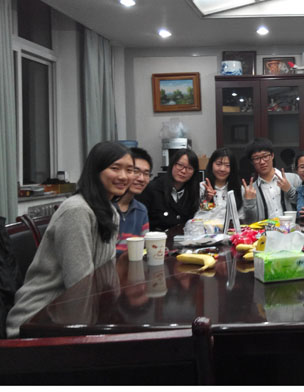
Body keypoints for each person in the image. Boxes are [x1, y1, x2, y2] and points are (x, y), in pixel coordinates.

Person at [6, 141, 134, 338]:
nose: (124, 176)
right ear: (95, 171)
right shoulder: (77, 210)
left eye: (129, 170)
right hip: (38, 320)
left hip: (75, 313)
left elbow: (106, 273)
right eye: (115, 168)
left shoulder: (110, 212)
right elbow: (79, 284)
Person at [138, 148, 200, 231]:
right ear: (172, 164)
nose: (183, 171)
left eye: (189, 168)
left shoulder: (193, 191)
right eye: (180, 165)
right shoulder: (152, 189)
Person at [242, 138, 301, 223]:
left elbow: (303, 208)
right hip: (265, 231)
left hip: (292, 230)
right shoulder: (250, 191)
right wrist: (249, 203)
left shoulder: (294, 179)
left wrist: (289, 190)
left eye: (265, 156)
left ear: (272, 155)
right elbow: (250, 222)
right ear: (252, 162)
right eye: (256, 158)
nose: (262, 162)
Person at [114, 147, 152, 255]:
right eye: (136, 171)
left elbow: (143, 248)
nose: (141, 179)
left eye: (146, 173)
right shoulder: (104, 208)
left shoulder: (141, 210)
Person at [196, 147, 250, 221]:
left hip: (231, 228)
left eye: (228, 165)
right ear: (211, 165)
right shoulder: (201, 187)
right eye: (218, 164)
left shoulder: (240, 190)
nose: (222, 169)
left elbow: (241, 218)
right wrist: (207, 200)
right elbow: (197, 217)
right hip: (206, 227)